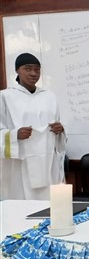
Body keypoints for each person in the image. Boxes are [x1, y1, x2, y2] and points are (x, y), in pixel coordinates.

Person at [1, 53, 67, 200]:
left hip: (47, 162)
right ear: (18, 70)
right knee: (23, 205)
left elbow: (57, 125)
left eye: (37, 70)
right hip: (20, 164)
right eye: (28, 69)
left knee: (50, 203)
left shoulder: (49, 96)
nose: (33, 73)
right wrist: (14, 134)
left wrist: (60, 130)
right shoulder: (5, 96)